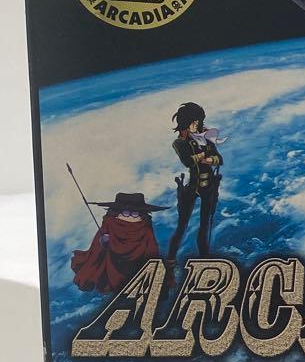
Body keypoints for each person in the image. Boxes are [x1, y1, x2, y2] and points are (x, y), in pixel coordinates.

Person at [71, 192, 166, 294]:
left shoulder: (145, 228)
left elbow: (152, 250)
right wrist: (103, 242)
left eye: (135, 214)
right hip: (114, 270)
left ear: (141, 215)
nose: (130, 217)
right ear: (116, 213)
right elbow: (95, 252)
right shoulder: (109, 224)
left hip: (138, 269)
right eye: (125, 213)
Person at [166, 101, 224, 264]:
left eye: (198, 122)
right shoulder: (179, 142)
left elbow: (219, 159)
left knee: (204, 227)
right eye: (194, 122)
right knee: (182, 226)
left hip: (209, 185)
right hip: (192, 186)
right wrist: (204, 155)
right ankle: (170, 262)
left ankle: (204, 260)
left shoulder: (206, 138)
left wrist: (210, 159)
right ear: (185, 122)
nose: (196, 125)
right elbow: (188, 161)